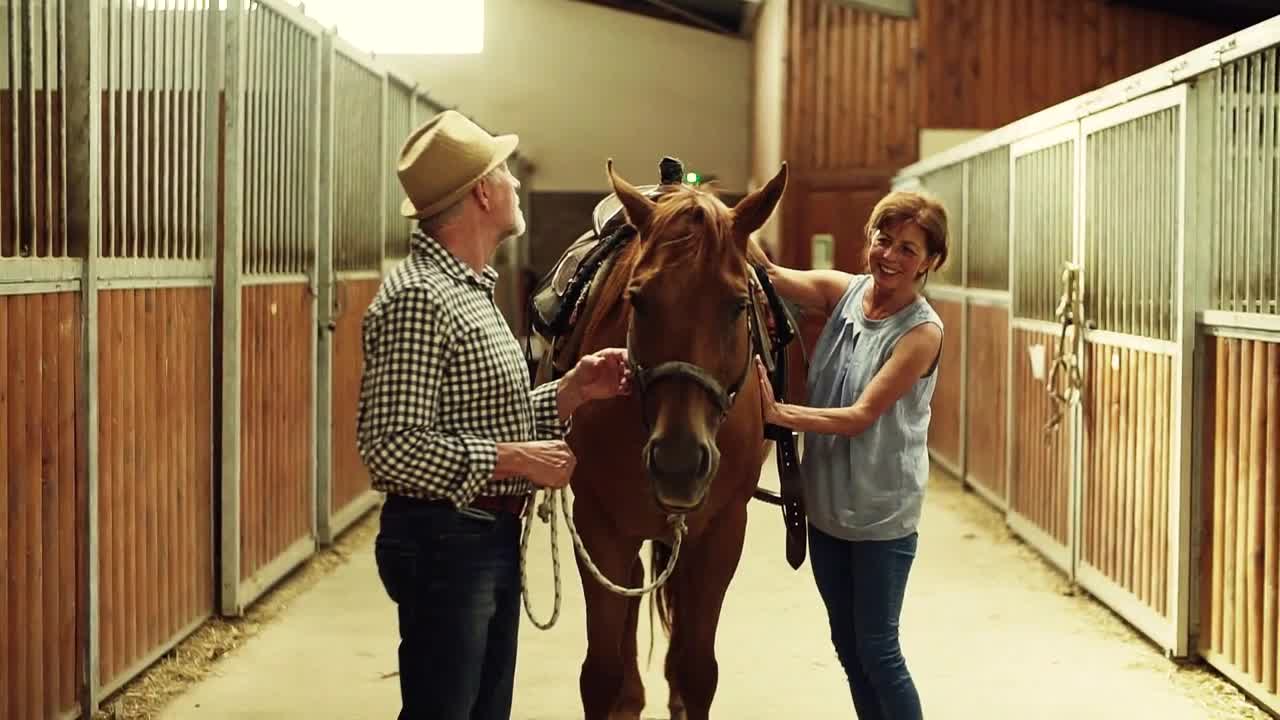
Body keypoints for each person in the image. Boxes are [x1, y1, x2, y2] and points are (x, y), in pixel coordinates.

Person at [357, 110, 631, 720]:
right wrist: (516, 458)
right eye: (503, 171)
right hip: (447, 540)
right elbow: (390, 446)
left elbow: (479, 416)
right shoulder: (419, 299)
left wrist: (570, 392)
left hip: (481, 535)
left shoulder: (467, 290)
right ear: (482, 192)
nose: (511, 183)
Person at [750, 190, 949, 720]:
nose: (890, 256)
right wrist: (724, 217)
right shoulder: (844, 294)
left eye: (908, 249)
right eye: (884, 240)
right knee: (848, 646)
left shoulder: (921, 333)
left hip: (882, 515)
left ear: (930, 262)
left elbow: (860, 417)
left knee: (880, 651)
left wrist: (781, 414)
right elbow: (767, 274)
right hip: (828, 508)